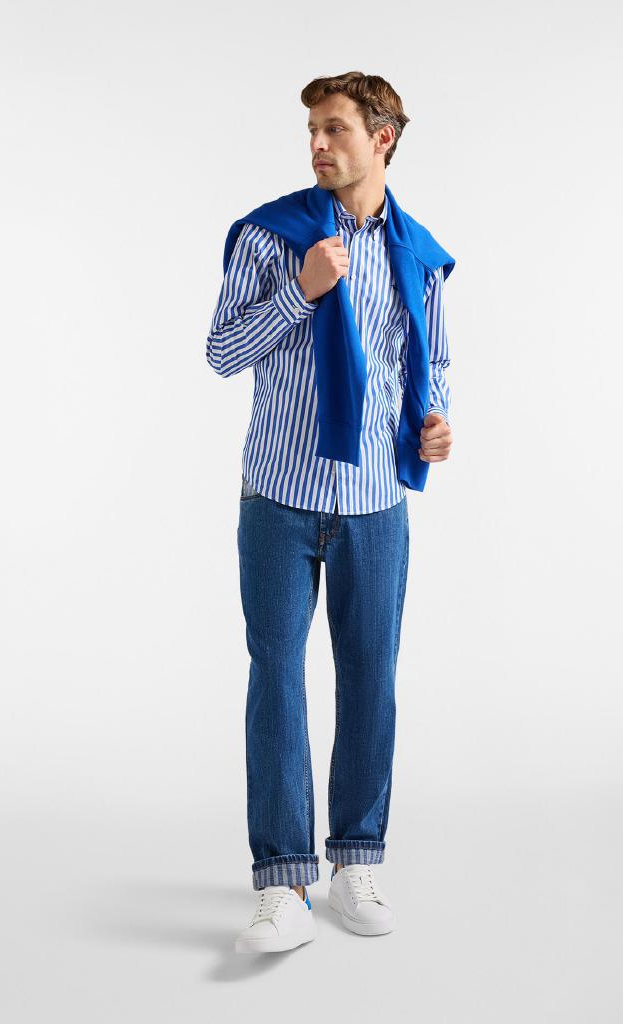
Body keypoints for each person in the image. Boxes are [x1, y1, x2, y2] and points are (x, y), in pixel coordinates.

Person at [206, 71, 454, 954]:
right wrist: (301, 290)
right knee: (276, 682)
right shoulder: (270, 236)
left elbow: (430, 363)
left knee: (369, 680)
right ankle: (283, 885)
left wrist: (433, 422)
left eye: (335, 128)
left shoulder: (418, 252)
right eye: (312, 128)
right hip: (278, 497)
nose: (317, 143)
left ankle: (356, 861)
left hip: (376, 502)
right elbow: (220, 350)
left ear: (381, 138)